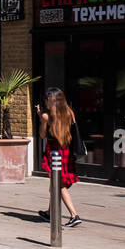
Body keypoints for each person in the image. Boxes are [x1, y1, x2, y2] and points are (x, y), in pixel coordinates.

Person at [37, 88, 83, 227]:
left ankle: (74, 215)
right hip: (67, 152)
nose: (45, 103)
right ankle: (50, 213)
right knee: (54, 184)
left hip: (55, 151)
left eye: (46, 100)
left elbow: (43, 135)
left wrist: (41, 117)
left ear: (51, 101)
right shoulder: (70, 113)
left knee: (59, 185)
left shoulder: (47, 116)